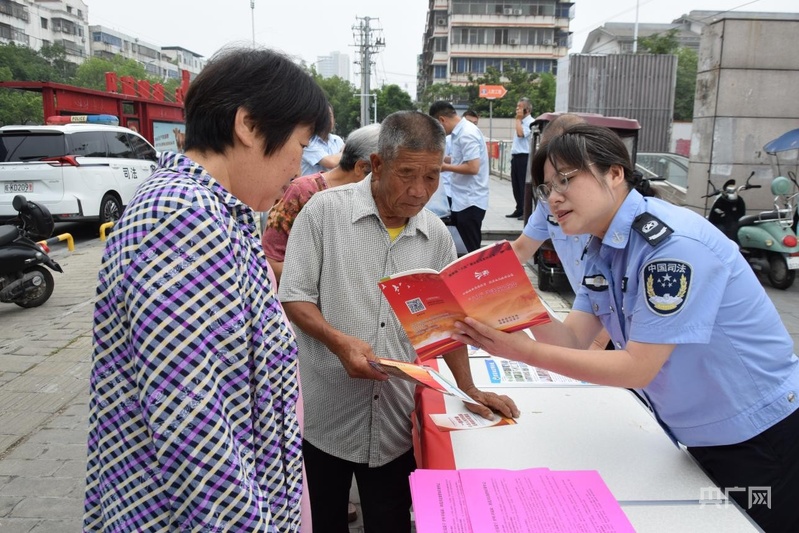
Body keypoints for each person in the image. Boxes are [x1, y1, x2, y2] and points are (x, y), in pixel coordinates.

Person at [452, 124, 799, 532]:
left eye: (565, 180)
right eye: (546, 189)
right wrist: (517, 302)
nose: (554, 199)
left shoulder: (669, 248)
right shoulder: (604, 249)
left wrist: (521, 351)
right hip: (702, 432)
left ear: (615, 173)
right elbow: (576, 342)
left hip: (758, 431)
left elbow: (637, 367)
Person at [84, 47, 330, 532]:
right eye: (299, 146)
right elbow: (190, 421)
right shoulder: (181, 216)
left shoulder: (216, 211)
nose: (297, 169)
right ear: (249, 125)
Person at [279, 110, 519, 533]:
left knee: (390, 521)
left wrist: (468, 388)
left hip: (394, 423)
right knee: (327, 521)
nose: (419, 190)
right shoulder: (323, 213)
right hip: (328, 415)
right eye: (407, 174)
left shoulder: (436, 235)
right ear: (377, 164)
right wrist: (340, 342)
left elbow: (447, 323)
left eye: (431, 177)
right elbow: (295, 297)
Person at [262, 123, 381, 282]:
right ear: (361, 167)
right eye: (383, 175)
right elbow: (271, 263)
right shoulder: (303, 193)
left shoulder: (372, 202)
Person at [429, 101, 489, 253]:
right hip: (462, 200)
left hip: (470, 201)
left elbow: (473, 167)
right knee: (462, 247)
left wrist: (444, 167)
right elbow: (461, 159)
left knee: (472, 249)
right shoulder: (459, 133)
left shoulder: (467, 133)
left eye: (438, 127)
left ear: (442, 120)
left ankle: (478, 275)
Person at [507, 97, 534, 219]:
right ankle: (519, 208)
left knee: (524, 185)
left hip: (525, 157)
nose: (517, 110)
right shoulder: (520, 122)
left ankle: (525, 210)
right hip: (516, 157)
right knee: (516, 185)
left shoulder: (530, 122)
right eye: (516, 107)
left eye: (519, 108)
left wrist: (518, 120)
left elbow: (521, 134)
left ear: (527, 110)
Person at [301, 105, 345, 176]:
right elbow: (331, 163)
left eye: (330, 116)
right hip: (312, 187)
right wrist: (345, 151)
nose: (328, 120)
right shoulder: (307, 142)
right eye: (324, 116)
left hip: (334, 187)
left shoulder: (337, 140)